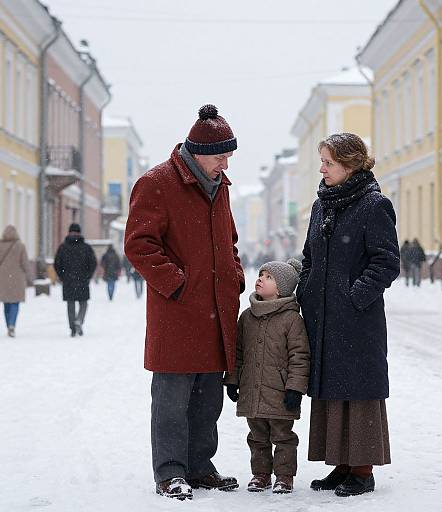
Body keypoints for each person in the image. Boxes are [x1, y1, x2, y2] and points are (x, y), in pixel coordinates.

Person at [124, 104, 245, 501]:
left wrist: (234, 276)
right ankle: (170, 472)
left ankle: (199, 466)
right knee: (172, 399)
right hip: (178, 311)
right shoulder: (156, 183)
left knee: (208, 400)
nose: (225, 163)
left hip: (215, 311)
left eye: (229, 156)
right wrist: (177, 284)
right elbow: (139, 244)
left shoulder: (220, 185)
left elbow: (229, 240)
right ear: (198, 153)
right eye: (221, 156)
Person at [296, 133, 400, 497]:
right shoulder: (321, 205)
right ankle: (340, 465)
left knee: (358, 391)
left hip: (357, 320)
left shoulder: (374, 205)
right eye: (322, 160)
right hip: (323, 317)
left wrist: (355, 296)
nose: (322, 168)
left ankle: (362, 469)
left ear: (351, 164)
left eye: (328, 162)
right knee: (331, 390)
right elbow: (309, 256)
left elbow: (387, 261)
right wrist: (307, 290)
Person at [225, 258, 309, 494]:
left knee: (283, 437)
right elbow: (237, 353)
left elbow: (300, 356)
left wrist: (295, 388)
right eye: (261, 274)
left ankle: (284, 476)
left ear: (281, 288)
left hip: (280, 392)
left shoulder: (292, 319)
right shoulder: (247, 317)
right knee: (257, 436)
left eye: (268, 276)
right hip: (252, 390)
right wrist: (232, 380)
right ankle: (260, 474)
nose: (260, 278)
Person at [54, 223, 97, 337]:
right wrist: (88, 275)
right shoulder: (86, 247)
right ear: (80, 232)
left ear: (69, 232)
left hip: (68, 281)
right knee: (83, 303)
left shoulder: (63, 247)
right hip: (82, 280)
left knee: (70, 304)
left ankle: (72, 327)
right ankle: (79, 320)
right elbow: (93, 263)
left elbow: (57, 264)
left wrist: (62, 276)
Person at [0, 225, 30, 338]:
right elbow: (25, 263)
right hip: (17, 278)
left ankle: (8, 324)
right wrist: (30, 276)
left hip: (2, 279)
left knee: (6, 303)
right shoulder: (20, 246)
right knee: (15, 303)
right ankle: (12, 325)